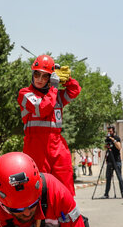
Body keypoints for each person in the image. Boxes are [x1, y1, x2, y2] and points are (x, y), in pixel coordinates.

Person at [19, 55, 80, 193]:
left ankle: (66, 214)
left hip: (57, 145)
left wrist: (67, 79)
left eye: (45, 76)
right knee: (39, 188)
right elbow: (42, 109)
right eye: (37, 74)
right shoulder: (25, 94)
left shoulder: (56, 95)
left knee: (65, 186)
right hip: (35, 146)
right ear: (32, 74)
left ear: (50, 78)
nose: (40, 79)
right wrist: (54, 87)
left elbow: (75, 90)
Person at [102, 125, 123, 199]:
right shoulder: (107, 139)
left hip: (116, 161)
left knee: (119, 177)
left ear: (113, 131)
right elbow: (104, 147)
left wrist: (113, 140)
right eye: (108, 131)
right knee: (108, 178)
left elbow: (119, 147)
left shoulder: (116, 138)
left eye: (110, 131)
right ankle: (106, 194)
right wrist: (106, 146)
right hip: (109, 161)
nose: (109, 132)